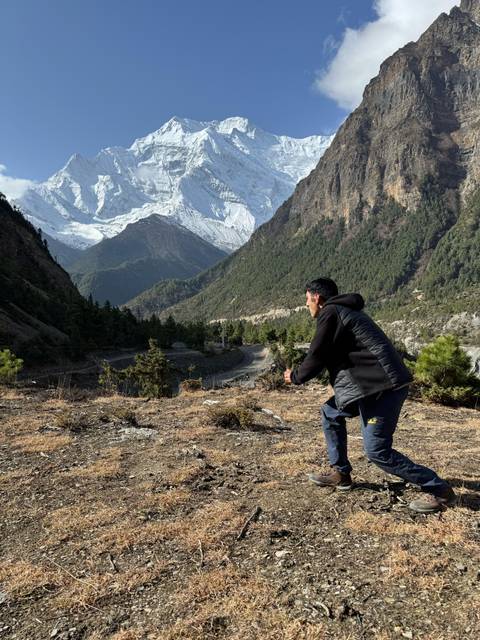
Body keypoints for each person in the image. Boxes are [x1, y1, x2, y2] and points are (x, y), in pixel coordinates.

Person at [283, 277, 456, 514]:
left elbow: (317, 354)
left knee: (377, 452)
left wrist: (295, 376)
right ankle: (341, 474)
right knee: (330, 411)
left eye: (306, 299)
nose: (306, 305)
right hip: (367, 388)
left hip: (382, 388)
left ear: (316, 298)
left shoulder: (331, 312)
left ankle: (440, 490)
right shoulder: (342, 312)